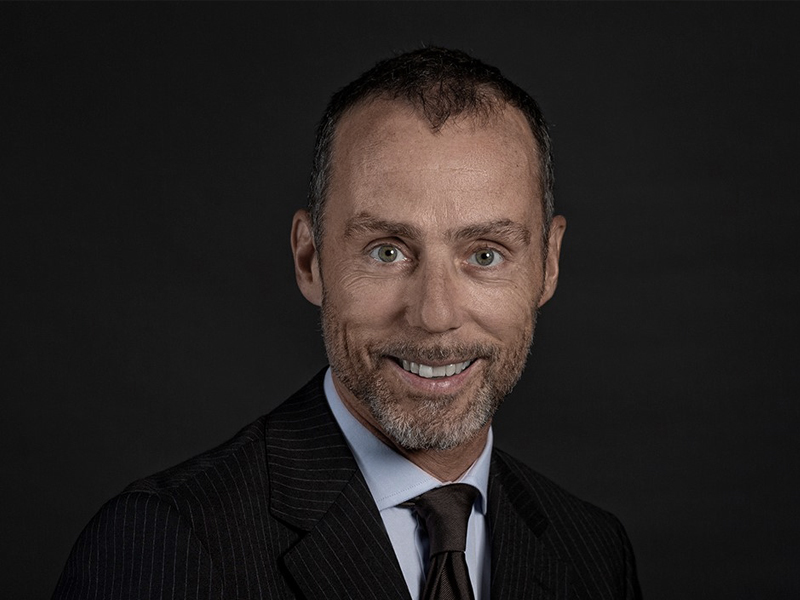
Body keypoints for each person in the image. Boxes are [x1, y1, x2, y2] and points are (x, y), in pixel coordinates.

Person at [53, 47, 642, 600]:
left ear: (548, 264)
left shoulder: (593, 552)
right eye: (387, 251)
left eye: (485, 254)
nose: (435, 316)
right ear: (309, 259)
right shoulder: (163, 544)